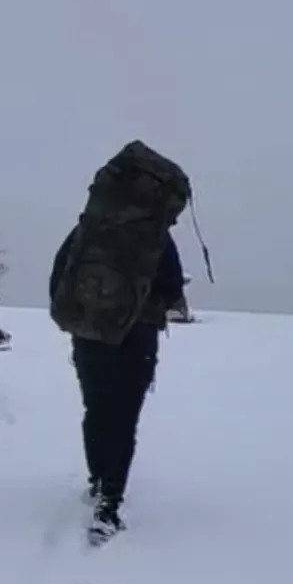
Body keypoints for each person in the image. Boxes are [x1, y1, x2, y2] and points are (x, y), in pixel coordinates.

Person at [49, 222, 186, 535]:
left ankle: (98, 478)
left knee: (96, 408)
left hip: (90, 333)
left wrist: (80, 314)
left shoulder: (90, 226)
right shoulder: (155, 233)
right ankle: (110, 500)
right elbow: (173, 286)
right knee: (125, 417)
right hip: (138, 335)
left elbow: (60, 276)